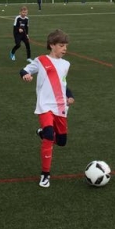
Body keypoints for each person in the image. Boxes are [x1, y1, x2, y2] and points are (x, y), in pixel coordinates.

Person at [21, 29, 75, 189]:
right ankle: (45, 174)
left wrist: (70, 95)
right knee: (50, 137)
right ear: (52, 45)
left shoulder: (66, 64)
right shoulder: (41, 60)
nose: (65, 48)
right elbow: (24, 70)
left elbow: (63, 83)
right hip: (45, 105)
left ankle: (42, 133)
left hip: (61, 106)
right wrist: (25, 75)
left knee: (62, 141)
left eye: (66, 46)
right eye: (61, 45)